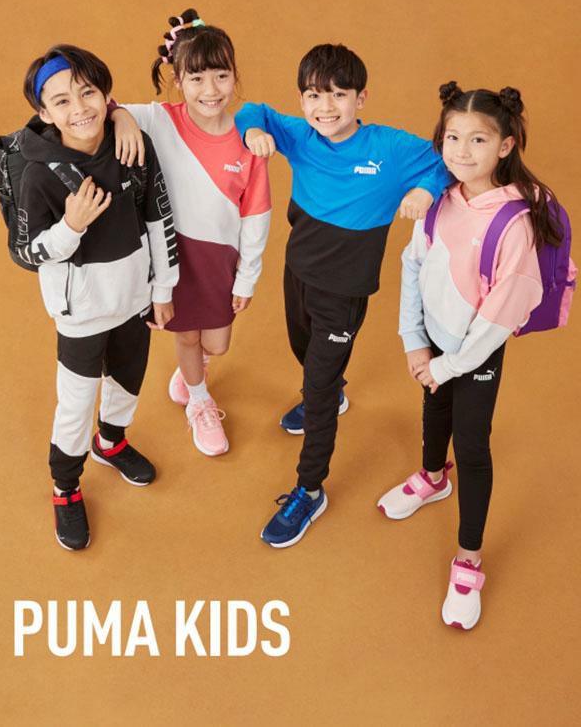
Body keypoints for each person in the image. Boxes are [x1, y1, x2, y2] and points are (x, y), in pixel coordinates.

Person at [234, 43, 453, 548]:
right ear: (302, 100)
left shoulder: (388, 148)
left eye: (338, 95)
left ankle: (309, 490)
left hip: (344, 293)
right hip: (297, 274)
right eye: (314, 95)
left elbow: (445, 160)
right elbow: (253, 110)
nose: (325, 107)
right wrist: (252, 131)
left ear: (361, 98)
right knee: (302, 348)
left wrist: (425, 188)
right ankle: (330, 391)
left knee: (315, 389)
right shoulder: (299, 135)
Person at [377, 81, 566, 629]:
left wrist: (445, 364)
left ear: (505, 145)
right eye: (452, 137)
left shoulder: (514, 223)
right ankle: (433, 476)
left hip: (474, 352)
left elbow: (499, 319)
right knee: (434, 409)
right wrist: (414, 340)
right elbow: (413, 265)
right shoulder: (439, 198)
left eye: (478, 139)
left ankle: (468, 559)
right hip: (434, 340)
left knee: (473, 444)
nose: (461, 151)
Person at [15, 44, 179, 550]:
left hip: (134, 300)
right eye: (61, 101)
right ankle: (65, 486)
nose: (78, 108)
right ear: (45, 113)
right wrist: (71, 226)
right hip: (81, 315)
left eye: (87, 93)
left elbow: (158, 216)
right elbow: (27, 252)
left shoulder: (133, 143)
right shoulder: (36, 174)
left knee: (128, 382)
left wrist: (163, 288)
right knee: (76, 403)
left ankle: (111, 442)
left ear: (106, 95)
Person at [110, 9, 271, 457]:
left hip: (220, 262)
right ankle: (199, 401)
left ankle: (191, 372)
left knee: (216, 343)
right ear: (178, 80)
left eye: (221, 76)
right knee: (186, 336)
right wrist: (121, 118)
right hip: (172, 259)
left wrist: (247, 277)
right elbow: (106, 107)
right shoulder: (160, 119)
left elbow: (257, 215)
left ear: (234, 76)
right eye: (196, 79)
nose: (210, 90)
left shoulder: (249, 139)